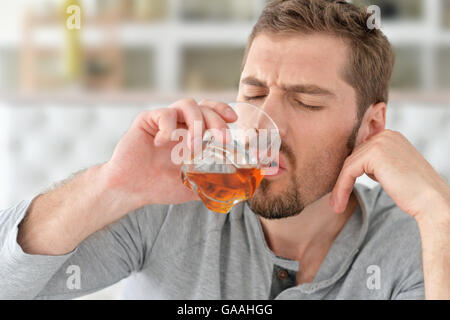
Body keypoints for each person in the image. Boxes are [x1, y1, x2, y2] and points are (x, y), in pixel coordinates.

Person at [1, 0, 449, 300]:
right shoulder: (168, 200)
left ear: (370, 126)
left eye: (305, 100)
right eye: (253, 96)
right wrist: (112, 185)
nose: (265, 126)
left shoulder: (416, 239)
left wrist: (440, 216)